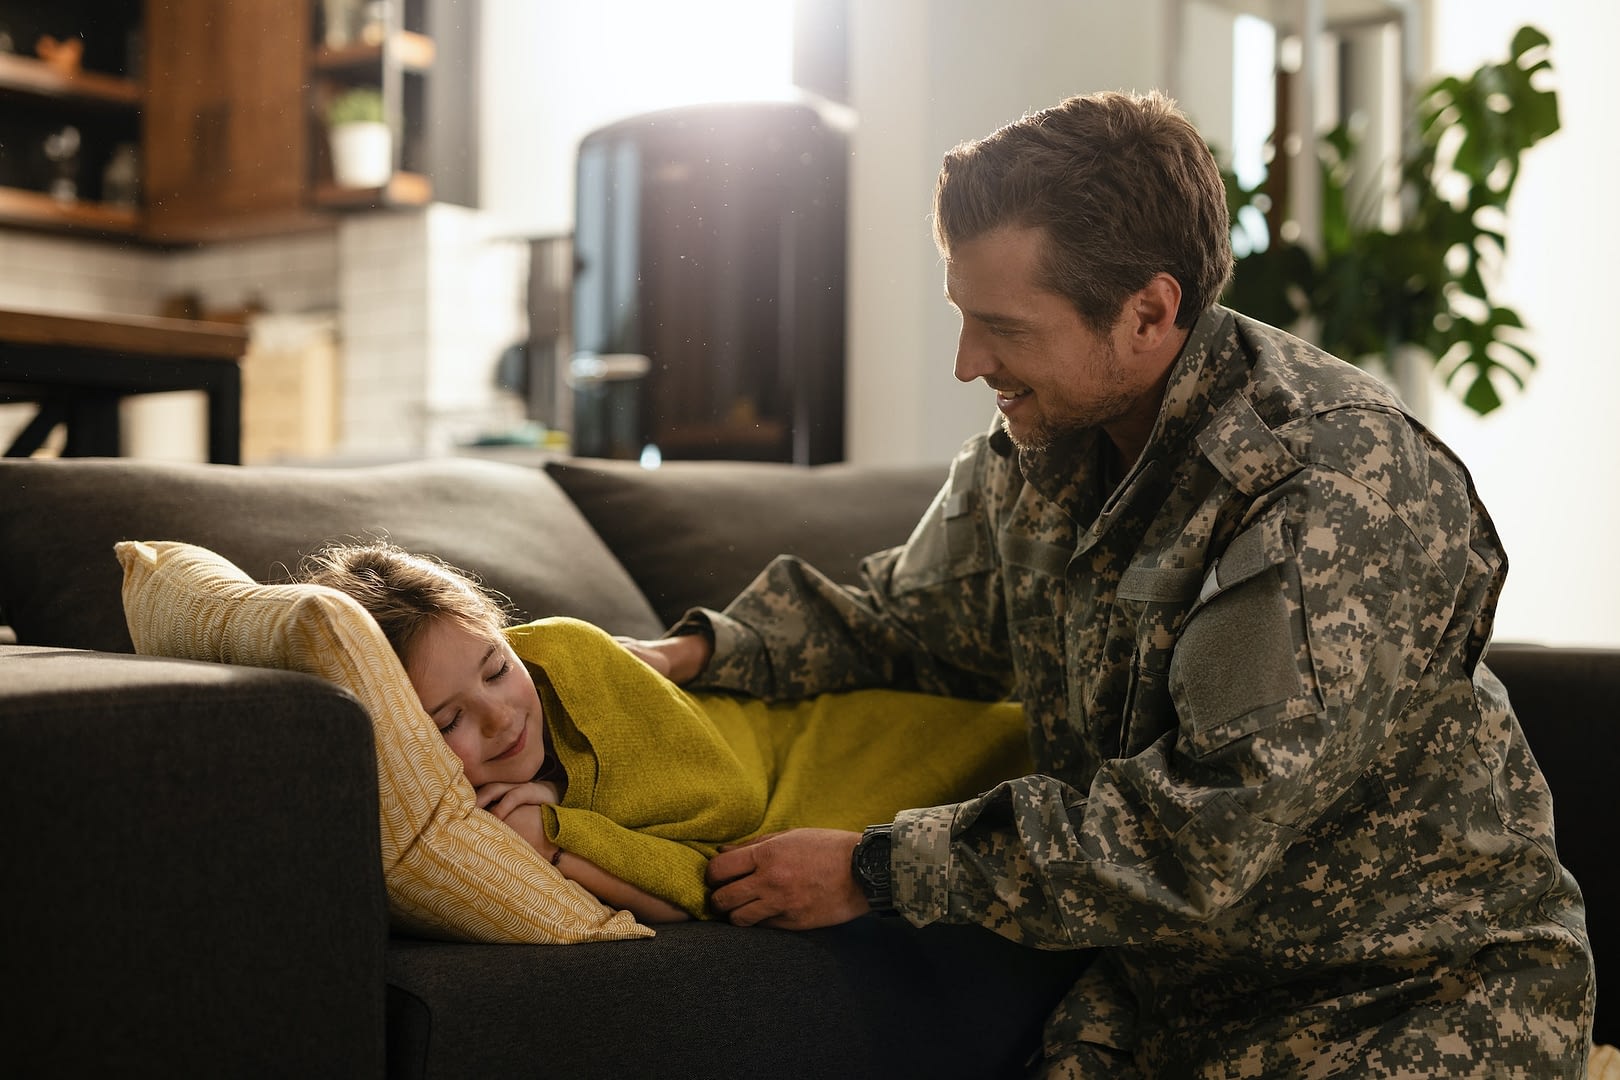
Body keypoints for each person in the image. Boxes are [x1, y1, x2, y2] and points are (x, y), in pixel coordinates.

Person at [619, 90, 1595, 1075]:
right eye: (964, 318)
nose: (968, 363)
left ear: (1149, 312)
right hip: (1171, 1002)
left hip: (1415, 998)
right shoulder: (1038, 452)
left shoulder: (1331, 477)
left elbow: (1206, 830)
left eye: (1001, 327)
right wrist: (698, 653)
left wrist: (882, 870)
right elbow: (910, 623)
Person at [296, 540, 1032, 930]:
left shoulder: (571, 656)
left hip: (881, 744)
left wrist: (559, 810)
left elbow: (730, 807)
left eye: (495, 668)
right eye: (447, 720)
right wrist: (555, 841)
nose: (499, 717)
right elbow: (706, 895)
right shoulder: (455, 814)